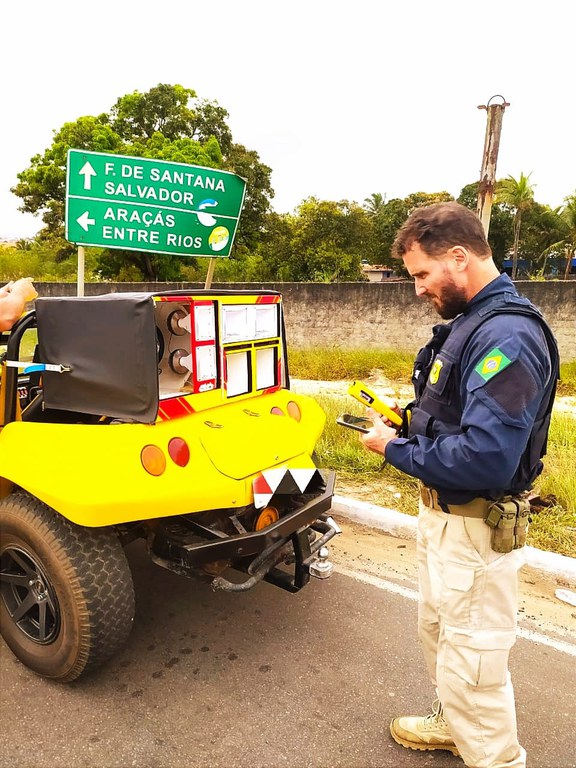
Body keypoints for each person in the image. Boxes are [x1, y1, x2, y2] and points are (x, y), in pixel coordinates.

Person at [360, 202, 559, 768]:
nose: (419, 288)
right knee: (441, 634)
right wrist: (410, 421)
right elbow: (458, 417)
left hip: (474, 526)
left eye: (422, 274)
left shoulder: (509, 337)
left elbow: (487, 459)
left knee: (473, 663)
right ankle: (453, 724)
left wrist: (392, 448)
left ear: (458, 256)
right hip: (446, 520)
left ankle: (494, 757)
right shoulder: (474, 322)